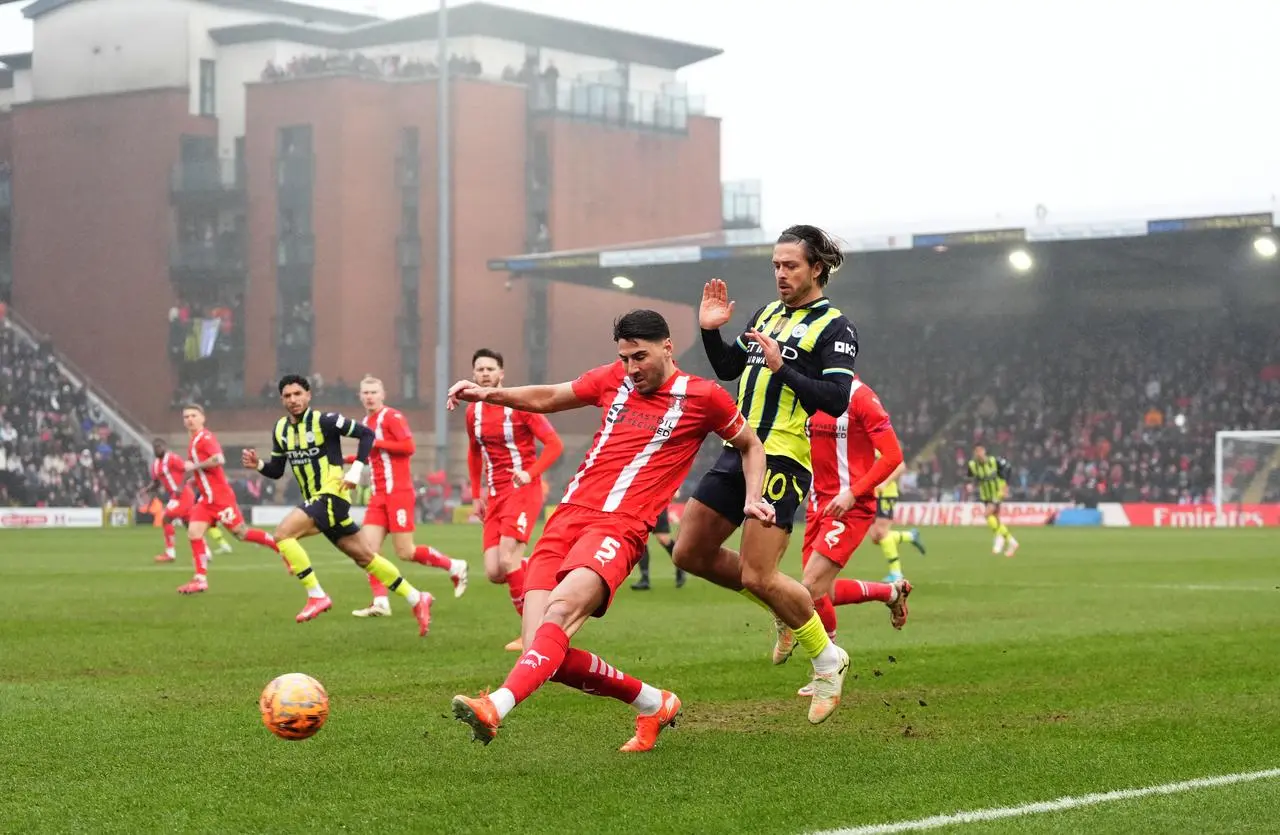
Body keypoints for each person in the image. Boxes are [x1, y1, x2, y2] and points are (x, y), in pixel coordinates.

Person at [447, 310, 772, 750]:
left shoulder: (704, 397)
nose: (631, 368)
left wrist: (754, 498)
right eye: (624, 358)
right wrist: (489, 394)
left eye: (640, 357)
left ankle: (495, 706)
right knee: (541, 655)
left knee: (560, 614)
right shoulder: (611, 380)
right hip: (566, 517)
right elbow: (548, 396)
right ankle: (654, 702)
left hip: (621, 527)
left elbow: (750, 446)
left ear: (667, 347)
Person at [672, 225, 856, 724]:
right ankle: (783, 605)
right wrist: (710, 331)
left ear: (816, 268)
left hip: (784, 458)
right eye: (775, 264)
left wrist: (785, 370)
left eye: (790, 265)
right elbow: (731, 367)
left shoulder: (835, 327)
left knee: (759, 574)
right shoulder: (766, 314)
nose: (780, 273)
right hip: (741, 447)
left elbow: (837, 400)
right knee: (689, 551)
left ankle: (827, 659)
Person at [240, 375, 433, 632]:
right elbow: (277, 470)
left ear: (308, 396)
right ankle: (416, 597)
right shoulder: (280, 429)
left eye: (298, 394)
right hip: (316, 500)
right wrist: (259, 465)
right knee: (364, 556)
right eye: (287, 396)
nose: (293, 400)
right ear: (281, 399)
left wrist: (355, 471)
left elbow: (366, 435)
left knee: (283, 534)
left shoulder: (325, 421)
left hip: (332, 495)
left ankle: (317, 595)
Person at [782, 377, 915, 694]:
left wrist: (854, 493)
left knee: (809, 589)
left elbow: (894, 455)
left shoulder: (861, 397)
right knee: (820, 592)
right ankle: (890, 593)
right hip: (817, 505)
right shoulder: (807, 391)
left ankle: (828, 667)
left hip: (850, 506)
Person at [465, 348, 564, 650]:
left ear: (501, 374)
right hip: (494, 496)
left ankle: (530, 633)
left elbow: (554, 445)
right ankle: (543, 567)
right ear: (473, 374)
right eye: (480, 369)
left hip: (522, 490)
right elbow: (473, 451)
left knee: (508, 559)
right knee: (495, 571)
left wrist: (530, 473)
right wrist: (475, 494)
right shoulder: (473, 411)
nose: (485, 373)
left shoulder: (519, 406)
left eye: (490, 369)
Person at [347, 376, 469, 618]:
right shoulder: (365, 422)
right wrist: (346, 460)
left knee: (406, 552)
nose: (369, 396)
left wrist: (376, 442)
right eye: (365, 392)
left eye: (373, 391)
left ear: (383, 394)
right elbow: (373, 455)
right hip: (378, 495)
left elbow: (408, 447)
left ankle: (454, 565)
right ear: (360, 396)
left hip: (399, 493)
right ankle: (380, 601)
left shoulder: (392, 417)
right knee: (366, 551)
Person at [177, 405, 280, 595]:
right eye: (186, 417)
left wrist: (195, 467)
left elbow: (219, 459)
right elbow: (208, 469)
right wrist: (196, 477)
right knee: (193, 532)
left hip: (220, 498)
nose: (189, 419)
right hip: (207, 500)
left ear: (202, 418)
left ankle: (276, 543)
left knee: (242, 534)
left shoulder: (205, 438)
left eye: (193, 415)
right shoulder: (193, 441)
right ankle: (200, 580)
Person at [147, 437, 230, 564]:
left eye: (159, 446)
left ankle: (170, 553)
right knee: (191, 527)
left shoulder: (173, 458)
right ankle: (206, 554)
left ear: (165, 447)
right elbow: (157, 482)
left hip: (183, 494)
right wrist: (147, 489)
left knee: (166, 519)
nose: (157, 449)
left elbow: (188, 470)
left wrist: (180, 486)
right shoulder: (155, 465)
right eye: (155, 447)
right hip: (176, 496)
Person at [871, 464, 925, 582]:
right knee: (875, 537)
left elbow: (900, 466)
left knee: (881, 533)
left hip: (885, 494)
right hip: (872, 493)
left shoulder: (882, 446)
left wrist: (885, 483)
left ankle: (896, 573)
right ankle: (911, 536)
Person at [968, 445, 1018, 556]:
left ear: (984, 451)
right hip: (985, 495)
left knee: (987, 514)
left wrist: (1006, 487)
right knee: (995, 519)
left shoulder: (994, 461)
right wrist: (971, 485)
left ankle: (1002, 539)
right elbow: (973, 478)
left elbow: (1008, 468)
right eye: (976, 452)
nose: (979, 454)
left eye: (980, 451)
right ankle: (1011, 542)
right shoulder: (972, 465)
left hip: (997, 492)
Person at [631, 489, 685, 590]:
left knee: (663, 539)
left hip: (657, 505)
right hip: (639, 505)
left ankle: (680, 566)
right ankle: (644, 578)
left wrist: (675, 490)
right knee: (641, 541)